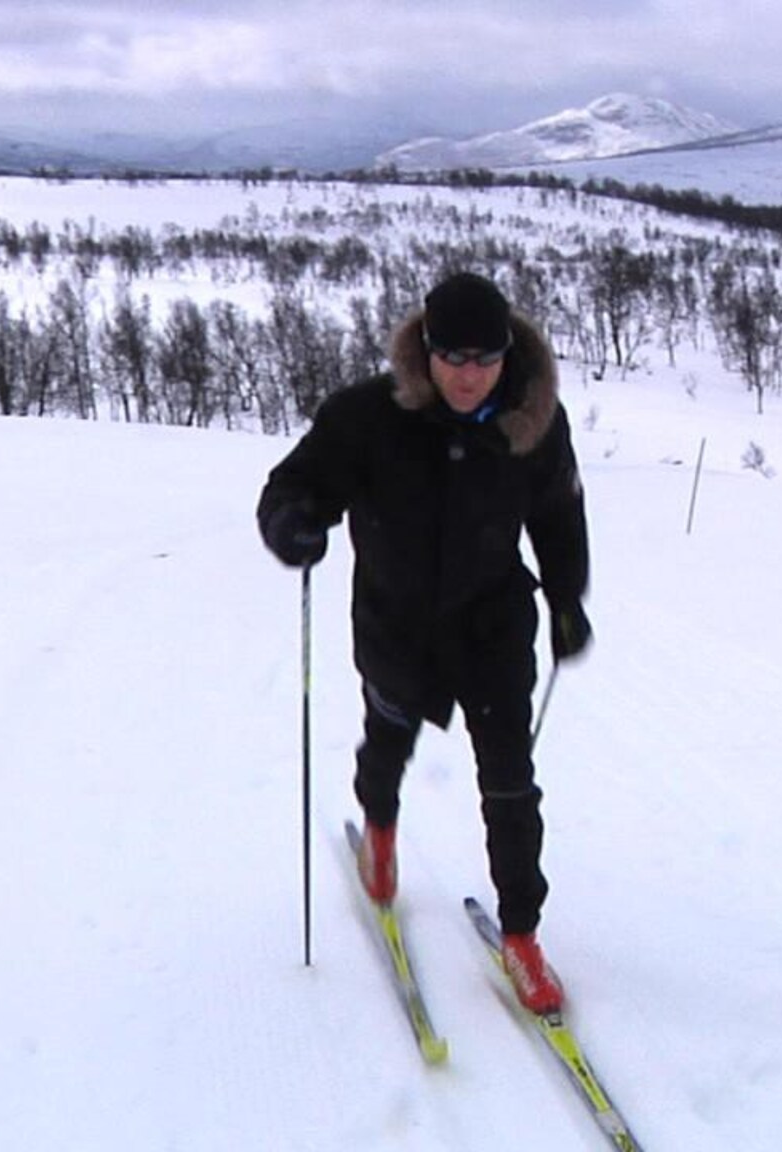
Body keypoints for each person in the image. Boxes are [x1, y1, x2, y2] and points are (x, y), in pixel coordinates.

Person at [257, 271, 591, 1014]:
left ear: (508, 355)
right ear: (426, 351)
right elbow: (294, 483)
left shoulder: (533, 421)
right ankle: (379, 827)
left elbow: (560, 516)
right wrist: (295, 523)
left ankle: (523, 935)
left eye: (485, 359)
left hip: (493, 626)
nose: (469, 376)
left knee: (510, 782)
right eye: (453, 357)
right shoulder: (367, 416)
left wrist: (568, 598)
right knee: (388, 742)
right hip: (396, 623)